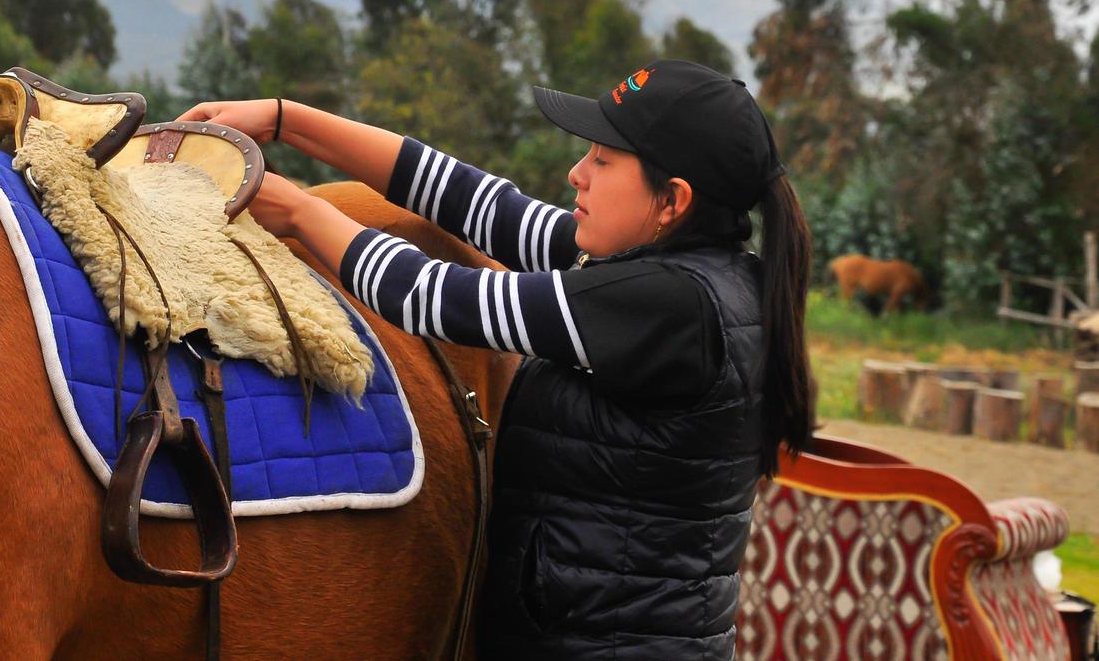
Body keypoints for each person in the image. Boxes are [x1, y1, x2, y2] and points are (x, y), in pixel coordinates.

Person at [178, 59, 814, 659]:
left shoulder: (670, 307)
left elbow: (432, 296)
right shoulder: (685, 272)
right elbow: (473, 201)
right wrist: (288, 120)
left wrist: (300, 211)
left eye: (604, 158)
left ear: (672, 200)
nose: (577, 173)